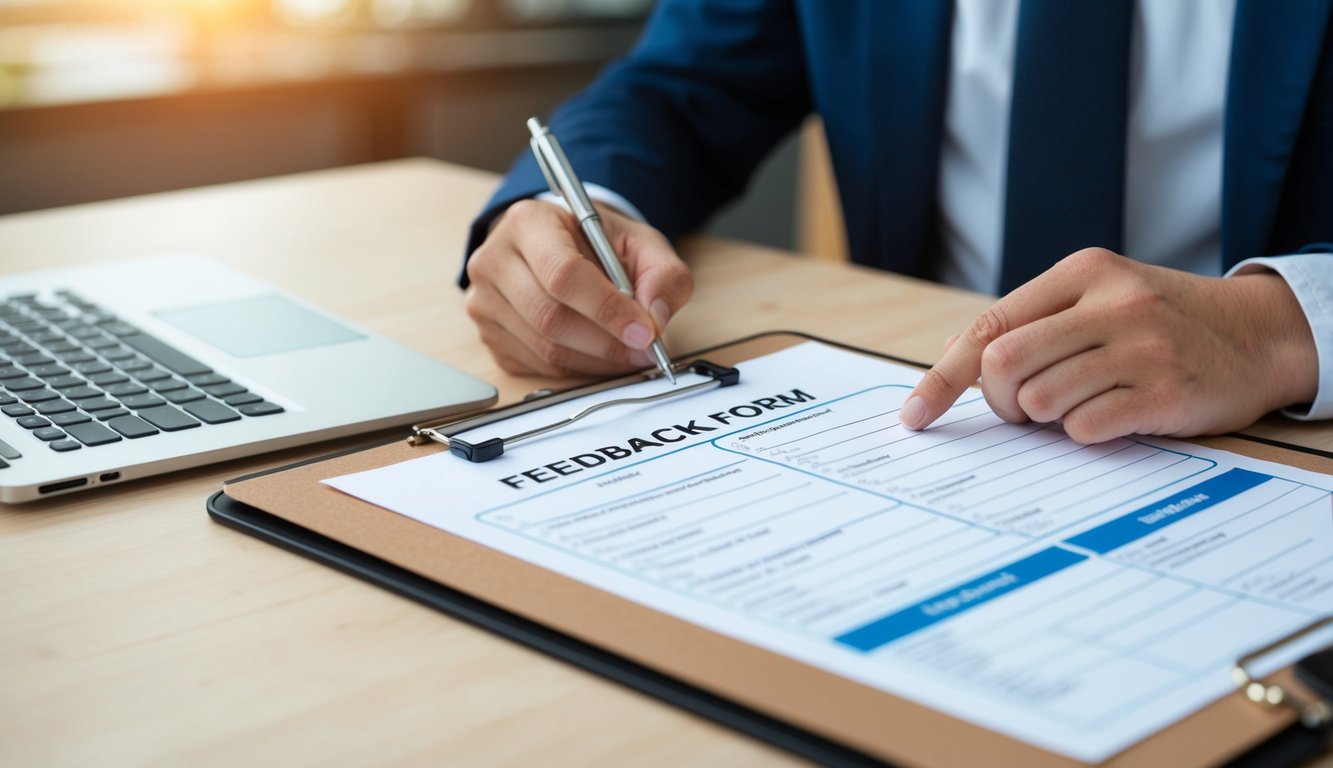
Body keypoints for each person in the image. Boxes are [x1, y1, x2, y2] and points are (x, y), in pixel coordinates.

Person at [459, 0, 1332, 444]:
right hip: (931, 429)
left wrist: (1281, 329)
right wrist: (576, 213)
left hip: (1268, 443)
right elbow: (678, 88)